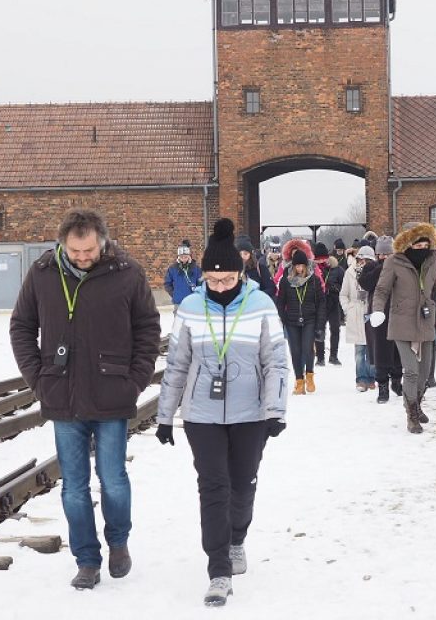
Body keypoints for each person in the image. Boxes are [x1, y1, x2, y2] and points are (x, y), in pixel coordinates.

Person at [10, 208, 160, 590]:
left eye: (89, 250)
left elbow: (147, 328)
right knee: (73, 486)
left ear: (102, 241)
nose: (82, 257)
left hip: (112, 395)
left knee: (112, 479)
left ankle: (119, 543)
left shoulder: (127, 273)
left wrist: (135, 381)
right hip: (63, 396)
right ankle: (87, 560)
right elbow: (22, 326)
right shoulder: (43, 274)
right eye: (75, 251)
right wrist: (38, 380)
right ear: (63, 245)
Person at [155, 218, 288, 608]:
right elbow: (177, 364)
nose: (220, 287)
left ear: (240, 274)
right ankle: (218, 570)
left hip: (250, 414)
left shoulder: (261, 304)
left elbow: (277, 362)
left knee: (242, 483)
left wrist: (275, 410)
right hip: (202, 414)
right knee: (213, 486)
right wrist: (165, 416)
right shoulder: (192, 308)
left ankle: (236, 539)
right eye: (213, 281)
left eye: (227, 280)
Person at [369, 223, 436, 434]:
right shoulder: (394, 262)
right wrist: (377, 310)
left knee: (424, 374)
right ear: (408, 243)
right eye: (418, 243)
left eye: (426, 242)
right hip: (402, 323)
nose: (422, 246)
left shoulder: (432, 262)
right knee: (412, 371)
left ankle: (416, 402)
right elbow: (381, 290)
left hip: (425, 322)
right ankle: (412, 415)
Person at [276, 243, 326, 394]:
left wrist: (320, 323)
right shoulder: (286, 280)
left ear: (306, 266)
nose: (299, 269)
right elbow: (281, 301)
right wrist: (283, 317)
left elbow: (321, 302)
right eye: (296, 266)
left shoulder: (313, 280)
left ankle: (309, 375)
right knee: (295, 351)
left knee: (307, 348)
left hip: (309, 319)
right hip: (291, 320)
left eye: (301, 266)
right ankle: (299, 381)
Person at [359, 235, 403, 403]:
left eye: (387, 254)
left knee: (397, 349)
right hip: (378, 314)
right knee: (380, 350)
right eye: (381, 254)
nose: (384, 257)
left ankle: (397, 381)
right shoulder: (370, 268)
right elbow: (365, 283)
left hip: (396, 312)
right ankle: (382, 385)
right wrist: (382, 268)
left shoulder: (399, 267)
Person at [340, 245, 376, 391]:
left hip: (370, 310)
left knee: (372, 348)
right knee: (360, 350)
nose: (364, 262)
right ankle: (361, 379)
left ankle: (372, 377)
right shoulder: (350, 273)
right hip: (355, 311)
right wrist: (348, 309)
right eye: (362, 259)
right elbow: (343, 294)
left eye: (368, 260)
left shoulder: (375, 273)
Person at [164, 240, 202, 311]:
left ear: (189, 256)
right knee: (178, 321)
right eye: (182, 257)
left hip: (192, 302)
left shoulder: (195, 268)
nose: (184, 259)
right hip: (178, 302)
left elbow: (200, 282)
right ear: (178, 257)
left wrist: (197, 294)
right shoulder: (173, 269)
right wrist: (174, 294)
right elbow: (167, 283)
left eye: (186, 257)